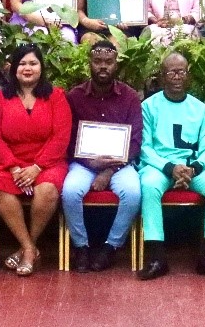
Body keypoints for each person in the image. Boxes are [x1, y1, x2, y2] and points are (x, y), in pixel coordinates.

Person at [137, 51, 205, 281]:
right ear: (162, 76)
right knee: (149, 185)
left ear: (188, 76)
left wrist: (194, 169)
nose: (177, 77)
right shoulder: (149, 106)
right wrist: (170, 168)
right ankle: (157, 257)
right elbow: (144, 147)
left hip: (193, 169)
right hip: (160, 167)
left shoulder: (200, 109)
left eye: (182, 72)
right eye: (171, 72)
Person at [0, 44, 72, 276]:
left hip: (47, 162)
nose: (27, 68)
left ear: (41, 68)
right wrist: (13, 166)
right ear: (14, 68)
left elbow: (61, 136)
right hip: (10, 164)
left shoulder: (56, 97)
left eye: (33, 63)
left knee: (47, 190)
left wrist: (37, 167)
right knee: (1, 190)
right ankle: (29, 247)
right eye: (22, 63)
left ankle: (27, 248)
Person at [61, 41, 143, 272]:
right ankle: (81, 247)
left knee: (133, 192)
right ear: (90, 63)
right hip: (84, 163)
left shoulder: (129, 97)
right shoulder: (75, 97)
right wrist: (90, 163)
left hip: (120, 164)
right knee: (69, 191)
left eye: (108, 62)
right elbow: (68, 138)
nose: (103, 67)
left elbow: (135, 141)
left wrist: (109, 171)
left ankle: (111, 247)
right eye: (98, 62)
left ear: (116, 64)